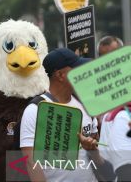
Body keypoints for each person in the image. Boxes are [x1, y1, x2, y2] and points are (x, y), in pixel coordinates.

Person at [20, 48, 98, 182]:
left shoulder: (85, 104)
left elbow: (97, 157)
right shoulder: (35, 110)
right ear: (60, 75)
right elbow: (31, 163)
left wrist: (92, 149)